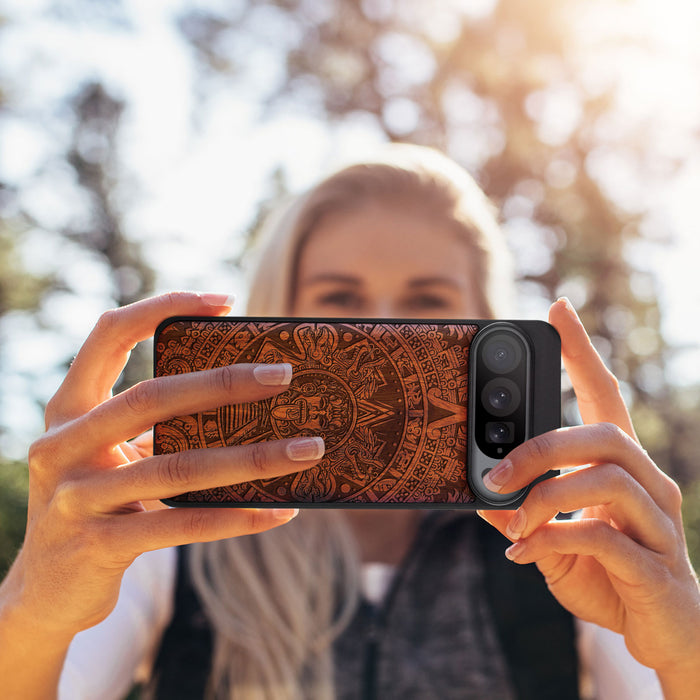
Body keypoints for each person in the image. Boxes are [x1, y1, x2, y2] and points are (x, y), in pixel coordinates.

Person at [0, 145, 698, 700]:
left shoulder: (567, 544)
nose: (384, 327)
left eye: (427, 302)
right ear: (279, 314)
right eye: (340, 299)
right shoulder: (171, 536)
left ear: (487, 322)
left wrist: (685, 648)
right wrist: (34, 607)